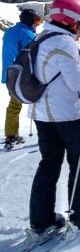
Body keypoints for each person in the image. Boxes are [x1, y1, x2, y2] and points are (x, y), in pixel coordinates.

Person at [29, 0, 80, 234]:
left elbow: (53, 70)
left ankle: (41, 219)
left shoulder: (41, 37)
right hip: (68, 115)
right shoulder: (64, 42)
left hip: (43, 114)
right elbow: (76, 83)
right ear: (71, 20)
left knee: (49, 164)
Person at [2, 8, 42, 149]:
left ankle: (10, 135)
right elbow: (34, 54)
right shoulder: (27, 34)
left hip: (10, 75)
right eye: (36, 20)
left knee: (14, 104)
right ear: (29, 21)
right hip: (24, 75)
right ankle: (45, 134)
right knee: (38, 100)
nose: (38, 24)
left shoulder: (10, 31)